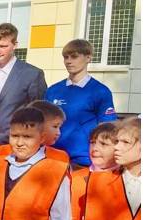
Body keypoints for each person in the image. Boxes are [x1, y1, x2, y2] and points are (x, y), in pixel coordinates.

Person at [0, 24, 47, 149]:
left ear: (15, 45)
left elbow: (38, 112)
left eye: (3, 46)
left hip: (13, 144)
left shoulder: (32, 74)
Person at [45, 39, 117, 169]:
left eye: (74, 56)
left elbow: (107, 128)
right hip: (52, 157)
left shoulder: (100, 91)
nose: (68, 61)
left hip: (82, 161)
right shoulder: (53, 90)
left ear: (88, 57)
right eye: (66, 57)